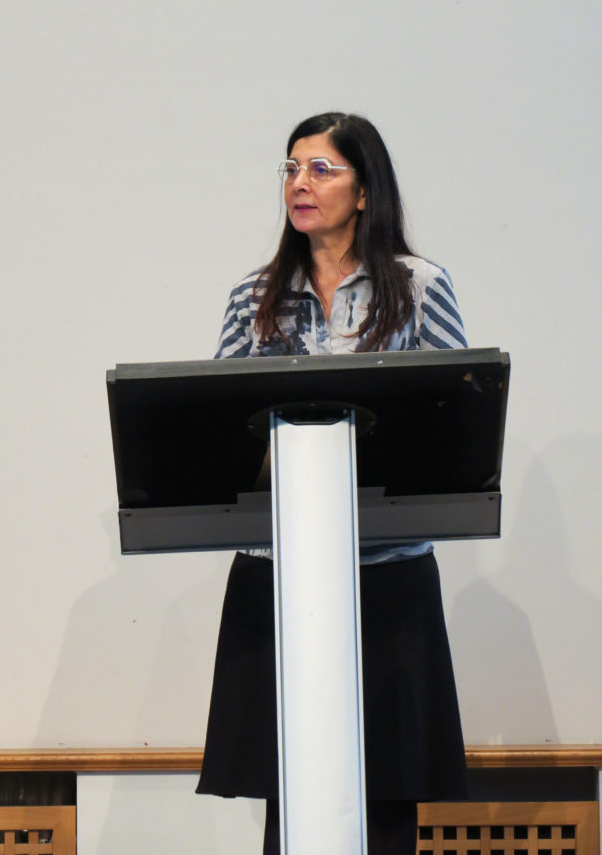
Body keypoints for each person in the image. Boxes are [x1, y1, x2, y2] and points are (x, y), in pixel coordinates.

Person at [196, 112, 469, 855]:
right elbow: (219, 428)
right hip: (278, 574)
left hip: (385, 574)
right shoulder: (254, 295)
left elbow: (453, 418)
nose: (300, 183)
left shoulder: (418, 287)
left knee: (382, 800)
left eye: (321, 169)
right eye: (291, 168)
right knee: (291, 797)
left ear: (365, 190)